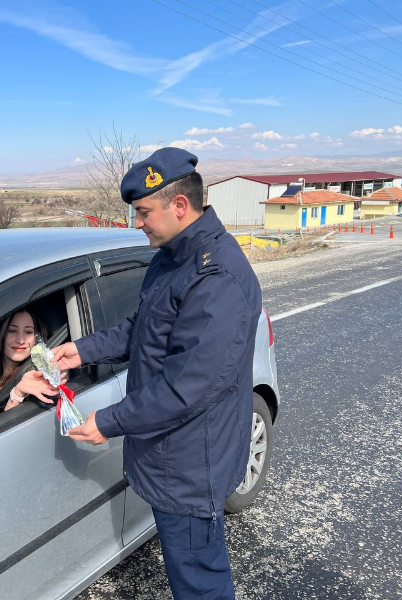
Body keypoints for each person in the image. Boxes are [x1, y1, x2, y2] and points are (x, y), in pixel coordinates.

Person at [53, 147, 262, 599]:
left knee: (199, 581)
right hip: (172, 453)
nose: (138, 223)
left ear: (180, 206)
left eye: (144, 212)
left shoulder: (216, 277)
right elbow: (142, 328)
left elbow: (187, 387)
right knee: (190, 568)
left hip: (189, 464)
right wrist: (80, 351)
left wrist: (108, 422)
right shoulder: (173, 257)